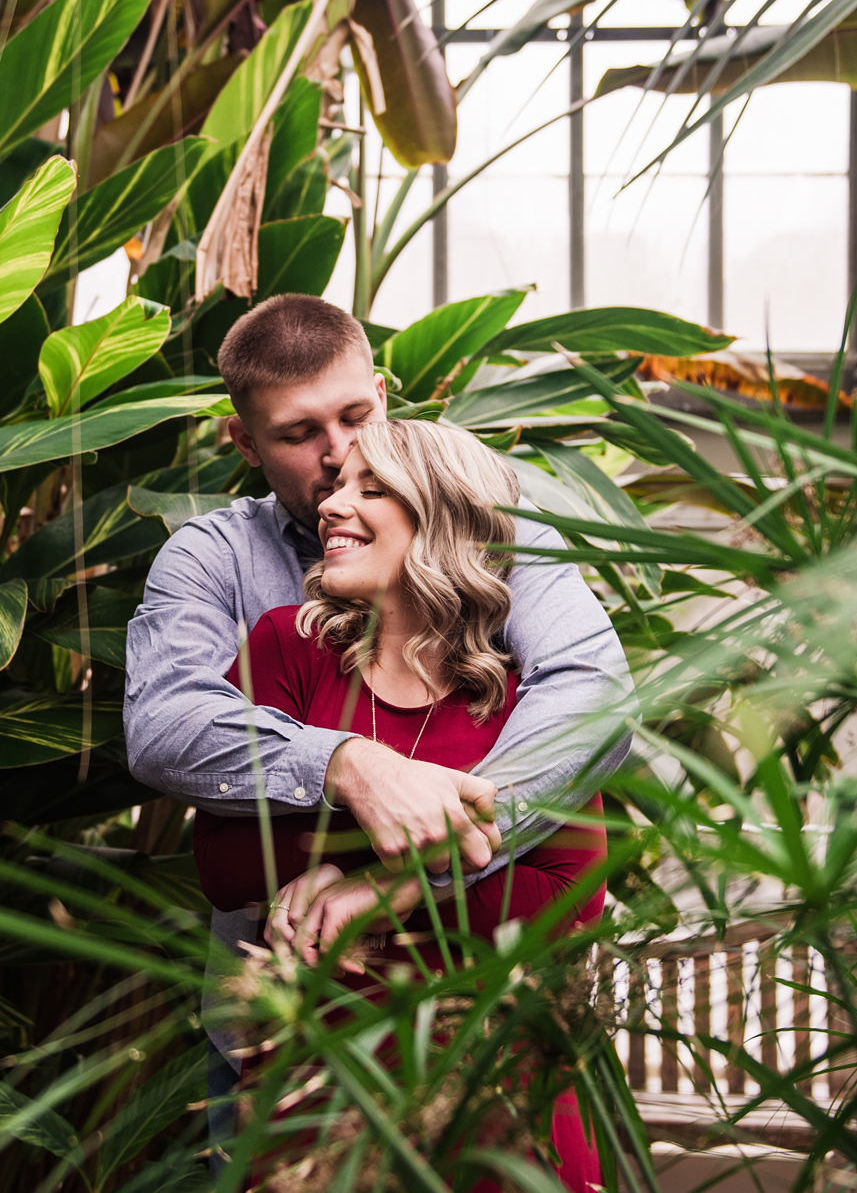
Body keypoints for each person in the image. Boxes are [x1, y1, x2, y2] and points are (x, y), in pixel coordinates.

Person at [121, 295, 630, 1147]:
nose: (338, 456)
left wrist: (402, 882)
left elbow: (590, 695)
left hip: (493, 1037)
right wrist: (352, 766)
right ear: (245, 443)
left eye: (357, 416)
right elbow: (170, 726)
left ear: (385, 394)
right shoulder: (223, 566)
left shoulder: (492, 529)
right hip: (287, 1039)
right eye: (298, 433)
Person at [190, 418, 606, 1189]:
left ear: (442, 516)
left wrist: (371, 887)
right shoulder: (288, 646)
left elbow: (567, 898)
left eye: (369, 489)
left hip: (494, 1088)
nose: (332, 505)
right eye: (338, 485)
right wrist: (406, 818)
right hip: (315, 1097)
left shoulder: (524, 694)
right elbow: (224, 857)